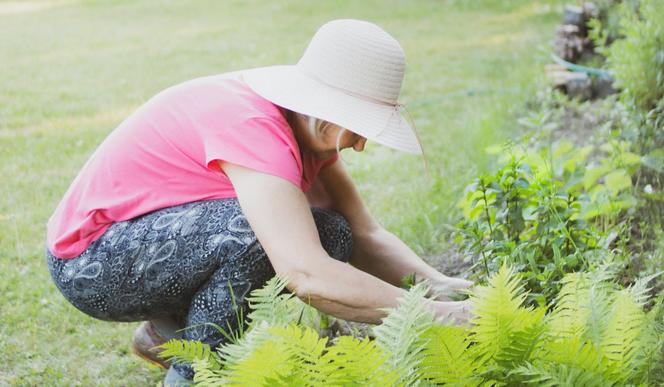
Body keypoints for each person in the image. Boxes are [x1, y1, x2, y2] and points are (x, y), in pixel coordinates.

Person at [45, 19, 474, 385]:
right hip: (90, 262)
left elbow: (365, 234)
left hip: (148, 247)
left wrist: (445, 287)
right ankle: (194, 374)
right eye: (360, 128)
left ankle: (167, 334)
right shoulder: (253, 127)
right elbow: (306, 274)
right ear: (324, 110)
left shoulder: (306, 134)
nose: (360, 145)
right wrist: (436, 315)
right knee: (256, 237)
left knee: (332, 232)